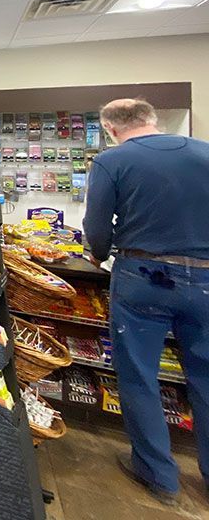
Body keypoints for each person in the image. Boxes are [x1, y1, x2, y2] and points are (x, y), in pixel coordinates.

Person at [83, 98, 209, 507]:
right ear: (152, 120)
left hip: (143, 277)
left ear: (111, 128)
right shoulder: (204, 152)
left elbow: (97, 230)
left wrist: (97, 253)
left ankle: (158, 475)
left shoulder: (112, 161)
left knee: (138, 375)